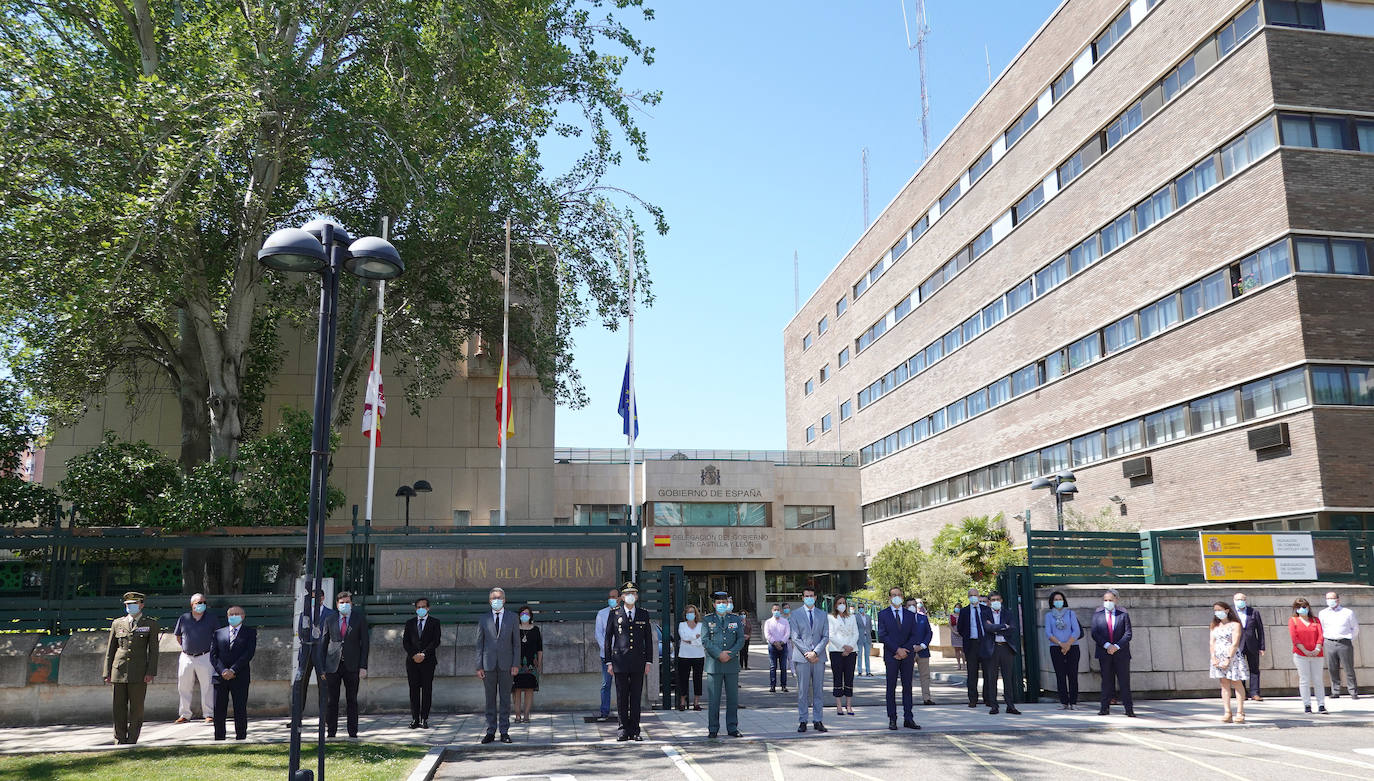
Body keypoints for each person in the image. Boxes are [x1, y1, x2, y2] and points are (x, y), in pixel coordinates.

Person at [102, 592, 159, 745]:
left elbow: (153, 651)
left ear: (141, 605)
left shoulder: (150, 624)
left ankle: (132, 739)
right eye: (127, 604)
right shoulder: (117, 623)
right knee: (118, 707)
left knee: (137, 708)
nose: (130, 607)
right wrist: (106, 672)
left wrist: (150, 672)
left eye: (133, 604)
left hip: (139, 672)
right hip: (119, 670)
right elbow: (110, 650)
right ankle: (119, 738)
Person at [604, 581, 653, 741]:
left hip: (638, 661)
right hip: (620, 661)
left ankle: (635, 730)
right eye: (627, 594)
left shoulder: (643, 614)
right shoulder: (615, 613)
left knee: (636, 698)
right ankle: (623, 729)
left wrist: (648, 661)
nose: (630, 596)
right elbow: (608, 638)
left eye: (633, 593)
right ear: (622, 597)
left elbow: (648, 639)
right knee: (622, 696)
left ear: (637, 596)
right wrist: (609, 662)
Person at [476, 587, 519, 743]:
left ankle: (504, 731)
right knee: (490, 700)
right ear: (489, 601)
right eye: (494, 598)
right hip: (488, 665)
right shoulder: (483, 619)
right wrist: (478, 666)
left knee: (505, 700)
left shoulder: (513, 617)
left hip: (507, 665)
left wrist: (516, 664)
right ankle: (490, 731)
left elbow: (516, 644)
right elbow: (479, 644)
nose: (497, 600)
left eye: (499, 598)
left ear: (504, 600)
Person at [325, 591, 369, 739]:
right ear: (337, 604)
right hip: (333, 666)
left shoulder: (359, 619)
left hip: (352, 666)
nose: (345, 605)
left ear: (352, 604)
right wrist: (322, 667)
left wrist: (363, 666)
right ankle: (331, 732)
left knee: (352, 700)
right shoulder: (329, 619)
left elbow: (365, 644)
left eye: (347, 602)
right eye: (342, 602)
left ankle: (352, 733)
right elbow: (324, 643)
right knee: (332, 700)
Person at [877, 586, 922, 731]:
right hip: (891, 655)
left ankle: (908, 718)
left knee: (907, 687)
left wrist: (905, 650)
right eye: (893, 595)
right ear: (889, 598)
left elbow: (914, 635)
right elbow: (883, 635)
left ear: (902, 597)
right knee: (891, 688)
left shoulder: (909, 615)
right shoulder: (883, 614)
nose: (896, 597)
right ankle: (892, 719)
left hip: (907, 656)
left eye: (899, 595)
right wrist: (897, 650)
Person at [702, 590, 744, 738]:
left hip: (731, 664)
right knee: (714, 699)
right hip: (714, 664)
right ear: (714, 604)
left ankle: (732, 728)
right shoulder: (707, 620)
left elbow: (740, 640)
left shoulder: (735, 619)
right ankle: (713, 729)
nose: (721, 605)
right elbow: (705, 640)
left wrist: (730, 654)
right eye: (719, 603)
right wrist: (719, 654)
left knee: (733, 699)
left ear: (728, 604)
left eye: (724, 602)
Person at [210, 605, 256, 741]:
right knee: (219, 709)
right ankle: (219, 737)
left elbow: (248, 654)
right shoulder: (218, 633)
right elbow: (213, 656)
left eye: (237, 614)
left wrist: (233, 670)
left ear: (243, 616)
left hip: (240, 676)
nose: (234, 616)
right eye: (231, 614)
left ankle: (241, 736)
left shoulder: (250, 632)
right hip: (220, 677)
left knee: (240, 708)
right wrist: (223, 670)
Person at [788, 586, 829, 733]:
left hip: (818, 658)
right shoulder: (795, 614)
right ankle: (803, 720)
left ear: (816, 597)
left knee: (818, 691)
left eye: (812, 595)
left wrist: (815, 652)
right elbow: (795, 637)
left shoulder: (822, 614)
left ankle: (818, 720)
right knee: (802, 691)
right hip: (802, 658)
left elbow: (825, 636)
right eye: (807, 596)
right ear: (802, 598)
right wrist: (808, 652)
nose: (809, 598)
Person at [173, 592, 218, 724]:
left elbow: (217, 635)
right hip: (186, 656)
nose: (202, 605)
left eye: (204, 602)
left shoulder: (212, 618)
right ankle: (185, 714)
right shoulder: (183, 618)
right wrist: (186, 648)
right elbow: (178, 636)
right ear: (192, 605)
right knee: (184, 686)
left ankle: (209, 714)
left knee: (208, 686)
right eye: (199, 603)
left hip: (205, 655)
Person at [1092, 590, 1135, 717]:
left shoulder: (1123, 615)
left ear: (1116, 600)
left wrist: (1116, 646)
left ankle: (1129, 709)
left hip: (1121, 653)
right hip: (1104, 652)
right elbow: (1095, 633)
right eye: (1105, 600)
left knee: (1124, 681)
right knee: (1106, 681)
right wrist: (1107, 646)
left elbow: (1128, 634)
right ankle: (1104, 708)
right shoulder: (1097, 615)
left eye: (1110, 600)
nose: (1108, 603)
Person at [981, 591, 1021, 715]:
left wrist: (995, 628)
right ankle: (994, 706)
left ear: (1002, 600)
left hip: (1006, 648)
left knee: (1008, 678)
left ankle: (1010, 705)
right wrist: (1004, 626)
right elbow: (987, 628)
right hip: (992, 648)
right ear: (989, 602)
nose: (995, 602)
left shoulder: (1008, 613)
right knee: (991, 678)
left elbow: (1013, 629)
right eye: (993, 600)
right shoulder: (985, 613)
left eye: (997, 599)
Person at [403, 597, 440, 729]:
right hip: (412, 662)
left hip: (428, 661)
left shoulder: (435, 622)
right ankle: (415, 718)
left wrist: (423, 654)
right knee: (413, 690)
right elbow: (406, 642)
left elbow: (436, 641)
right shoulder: (410, 623)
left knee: (426, 690)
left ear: (428, 608)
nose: (421, 609)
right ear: (415, 609)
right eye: (418, 607)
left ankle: (424, 718)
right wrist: (414, 655)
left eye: (423, 607)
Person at [1210, 601, 1249, 723]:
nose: (1217, 612)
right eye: (1215, 610)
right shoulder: (1214, 626)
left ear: (1226, 610)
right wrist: (1213, 657)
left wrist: (1228, 658)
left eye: (1219, 610)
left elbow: (1235, 642)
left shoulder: (1235, 624)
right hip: (1218, 656)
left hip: (1232, 657)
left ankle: (1240, 712)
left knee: (1236, 682)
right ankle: (1227, 712)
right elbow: (1212, 642)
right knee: (1224, 683)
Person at [297, 587, 333, 715]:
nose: (313, 600)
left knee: (323, 685)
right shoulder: (304, 613)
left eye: (315, 597)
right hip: (306, 653)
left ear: (322, 598)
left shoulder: (330, 614)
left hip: (322, 654)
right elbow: (301, 632)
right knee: (301, 685)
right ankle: (297, 717)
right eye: (311, 598)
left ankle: (325, 717)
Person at [1288, 597, 1327, 714]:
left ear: (1308, 607)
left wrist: (1317, 648)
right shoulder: (1293, 620)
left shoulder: (1315, 620)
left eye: (1304, 607)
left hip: (1317, 654)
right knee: (1304, 679)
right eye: (1299, 607)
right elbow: (1294, 637)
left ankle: (1321, 704)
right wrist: (1305, 651)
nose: (1302, 609)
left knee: (1318, 680)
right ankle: (1307, 704)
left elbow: (1321, 635)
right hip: (1301, 654)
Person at [1044, 591, 1082, 710]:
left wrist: (1068, 645)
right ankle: (1064, 702)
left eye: (1060, 599)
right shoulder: (1049, 616)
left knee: (1073, 675)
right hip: (1056, 647)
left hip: (1072, 647)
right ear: (1052, 602)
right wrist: (1061, 644)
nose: (1058, 602)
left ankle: (1073, 702)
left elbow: (1076, 631)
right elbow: (1048, 633)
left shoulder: (1071, 613)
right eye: (1055, 600)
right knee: (1060, 675)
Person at [1319, 590, 1359, 699]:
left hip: (1344, 642)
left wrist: (1349, 638)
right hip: (1329, 642)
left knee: (1348, 668)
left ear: (1338, 599)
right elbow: (1322, 628)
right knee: (1332, 668)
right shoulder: (1323, 613)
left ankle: (1353, 692)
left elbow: (1355, 628)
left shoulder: (1347, 612)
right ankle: (1335, 691)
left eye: (1332, 598)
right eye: (1328, 599)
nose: (1330, 601)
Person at [955, 588, 988, 708]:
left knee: (988, 672)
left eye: (975, 595)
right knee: (972, 673)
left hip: (984, 643)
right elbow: (960, 628)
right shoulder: (964, 611)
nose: (974, 597)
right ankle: (973, 699)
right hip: (971, 644)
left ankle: (988, 698)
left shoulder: (986, 609)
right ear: (968, 597)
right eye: (971, 595)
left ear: (979, 597)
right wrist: (969, 637)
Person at [827, 595, 859, 717]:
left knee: (849, 677)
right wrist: (843, 647)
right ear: (835, 605)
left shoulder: (852, 617)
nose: (842, 605)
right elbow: (831, 635)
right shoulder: (830, 617)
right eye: (839, 603)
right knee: (838, 676)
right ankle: (839, 705)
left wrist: (850, 647)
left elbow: (856, 633)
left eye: (844, 603)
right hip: (836, 650)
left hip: (851, 651)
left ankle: (849, 705)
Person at [1233, 592, 1266, 701]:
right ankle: (1242, 693)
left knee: (1254, 669)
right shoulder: (1231, 614)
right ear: (1234, 600)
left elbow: (1260, 630)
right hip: (1238, 645)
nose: (1240, 601)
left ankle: (1255, 693)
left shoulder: (1254, 612)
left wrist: (1262, 647)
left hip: (1252, 644)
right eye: (1238, 599)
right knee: (1240, 670)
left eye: (1242, 599)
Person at [512, 605, 542, 723]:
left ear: (530, 616)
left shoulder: (536, 630)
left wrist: (539, 663)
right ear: (519, 616)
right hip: (516, 664)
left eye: (527, 613)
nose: (525, 616)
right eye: (522, 613)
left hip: (531, 664)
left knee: (529, 690)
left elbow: (540, 648)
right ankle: (518, 715)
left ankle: (526, 715)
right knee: (516, 690)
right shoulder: (514, 629)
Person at [594, 586, 620, 721]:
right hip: (606, 655)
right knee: (606, 684)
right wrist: (606, 649)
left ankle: (624, 711)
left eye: (614, 597)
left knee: (623, 684)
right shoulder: (602, 613)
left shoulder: (623, 612)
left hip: (622, 654)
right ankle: (604, 711)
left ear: (620, 599)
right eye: (610, 597)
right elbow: (598, 634)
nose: (612, 599)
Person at [676, 604, 705, 710]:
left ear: (696, 613)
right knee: (683, 679)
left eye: (692, 612)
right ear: (685, 614)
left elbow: (701, 640)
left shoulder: (701, 626)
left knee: (698, 679)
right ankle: (682, 702)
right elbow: (683, 637)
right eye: (688, 612)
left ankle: (696, 703)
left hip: (698, 655)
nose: (690, 614)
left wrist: (690, 640)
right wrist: (695, 638)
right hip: (684, 655)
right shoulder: (682, 625)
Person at [763, 603, 790, 693]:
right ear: (772, 611)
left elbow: (787, 633)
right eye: (775, 610)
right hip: (772, 646)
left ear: (780, 611)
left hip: (783, 646)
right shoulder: (768, 622)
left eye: (778, 610)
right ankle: (772, 685)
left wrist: (781, 642)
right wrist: (775, 643)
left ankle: (783, 685)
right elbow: (767, 634)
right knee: (773, 666)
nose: (776, 611)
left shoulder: (785, 621)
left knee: (783, 666)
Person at [854, 605, 873, 677]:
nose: (861, 608)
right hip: (859, 638)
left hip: (867, 637)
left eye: (862, 607)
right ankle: (859, 671)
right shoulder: (856, 617)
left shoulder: (868, 617)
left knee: (867, 655)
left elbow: (870, 627)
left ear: (864, 608)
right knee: (859, 655)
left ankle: (868, 671)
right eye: (859, 607)